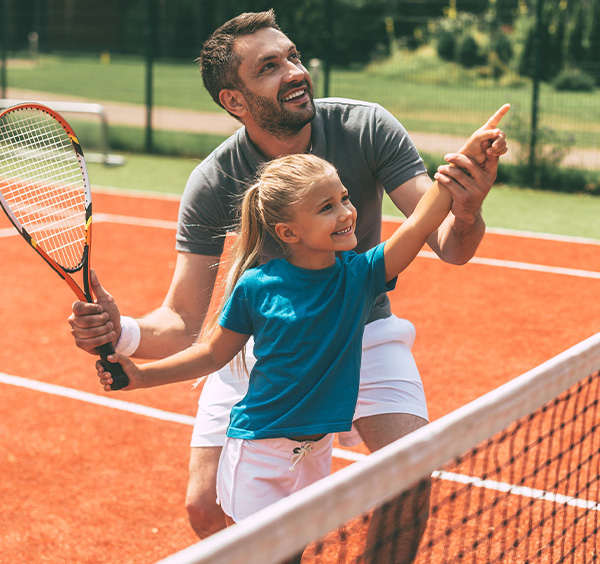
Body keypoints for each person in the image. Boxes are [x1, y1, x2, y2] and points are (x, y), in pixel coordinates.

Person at [68, 9, 508, 559]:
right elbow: (184, 324)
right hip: (261, 343)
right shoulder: (213, 180)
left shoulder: (366, 127)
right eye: (270, 67)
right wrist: (122, 332)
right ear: (235, 100)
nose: (295, 71)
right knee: (208, 511)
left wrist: (466, 209)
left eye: (293, 56)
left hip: (362, 325)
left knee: (410, 471)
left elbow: (446, 242)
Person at [97, 131, 502, 534]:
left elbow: (417, 225)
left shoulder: (361, 276)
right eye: (326, 207)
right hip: (258, 455)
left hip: (314, 453)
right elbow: (212, 355)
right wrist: (142, 376)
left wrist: (457, 168)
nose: (346, 213)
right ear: (288, 232)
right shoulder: (256, 287)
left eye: (345, 198)